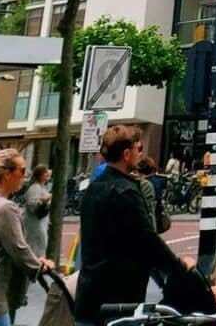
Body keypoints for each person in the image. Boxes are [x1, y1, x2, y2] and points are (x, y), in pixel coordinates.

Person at [75, 125, 190, 326]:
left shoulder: (93, 188)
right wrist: (179, 267)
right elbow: (147, 239)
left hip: (89, 296)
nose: (141, 154)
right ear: (127, 154)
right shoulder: (126, 191)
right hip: (119, 299)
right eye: (139, 148)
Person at [0, 149, 52, 326]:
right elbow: (19, 249)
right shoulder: (5, 209)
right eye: (22, 170)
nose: (25, 176)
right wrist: (40, 266)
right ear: (7, 174)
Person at [23, 165, 51, 258]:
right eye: (45, 173)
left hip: (41, 222)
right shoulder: (35, 187)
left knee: (40, 245)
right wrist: (43, 201)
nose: (47, 175)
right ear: (40, 175)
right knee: (35, 246)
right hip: (35, 223)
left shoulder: (42, 187)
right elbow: (32, 205)